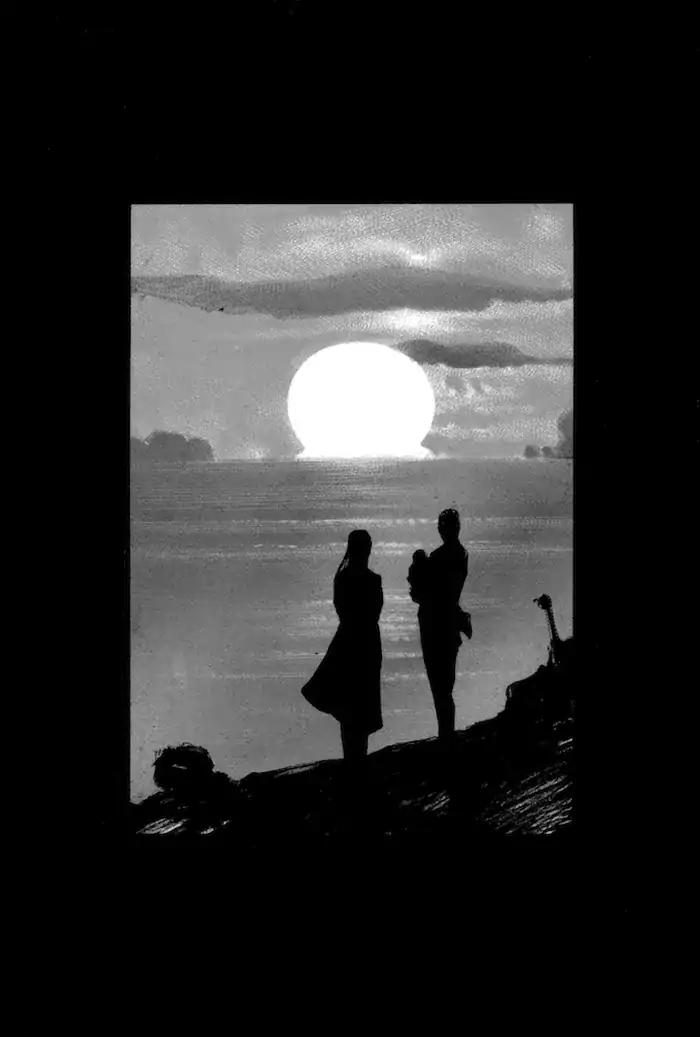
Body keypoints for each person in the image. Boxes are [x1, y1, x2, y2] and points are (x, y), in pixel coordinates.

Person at [301, 529, 383, 762]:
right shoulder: (371, 579)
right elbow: (374, 613)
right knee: (360, 702)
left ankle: (352, 758)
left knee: (349, 705)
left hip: (347, 641)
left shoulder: (343, 578)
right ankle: (358, 758)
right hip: (365, 643)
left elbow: (343, 610)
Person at [411, 508, 469, 739]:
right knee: (443, 685)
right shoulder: (456, 554)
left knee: (441, 685)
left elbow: (426, 592)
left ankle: (446, 734)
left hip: (436, 623)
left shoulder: (442, 556)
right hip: (442, 622)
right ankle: (446, 732)